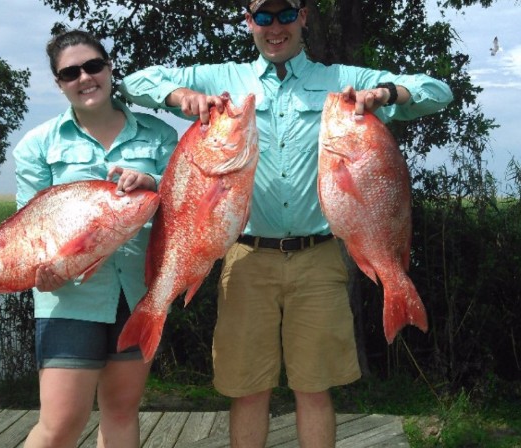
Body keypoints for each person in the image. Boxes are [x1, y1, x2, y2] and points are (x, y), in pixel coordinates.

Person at [119, 1, 453, 446]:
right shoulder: (221, 79)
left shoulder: (341, 82)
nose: (274, 27)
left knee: (314, 388)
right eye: (262, 16)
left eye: (285, 14)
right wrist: (182, 97)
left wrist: (385, 94)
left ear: (304, 17)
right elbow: (131, 83)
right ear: (248, 21)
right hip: (245, 258)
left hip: (318, 258)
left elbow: (437, 90)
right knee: (247, 389)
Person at [13, 29, 177, 448]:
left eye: (93, 65)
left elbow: (184, 200)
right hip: (69, 298)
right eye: (71, 72)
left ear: (109, 68)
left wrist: (153, 183)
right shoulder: (37, 145)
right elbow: (28, 226)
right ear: (59, 83)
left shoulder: (159, 135)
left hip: (139, 292)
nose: (84, 77)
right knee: (61, 424)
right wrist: (39, 269)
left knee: (121, 413)